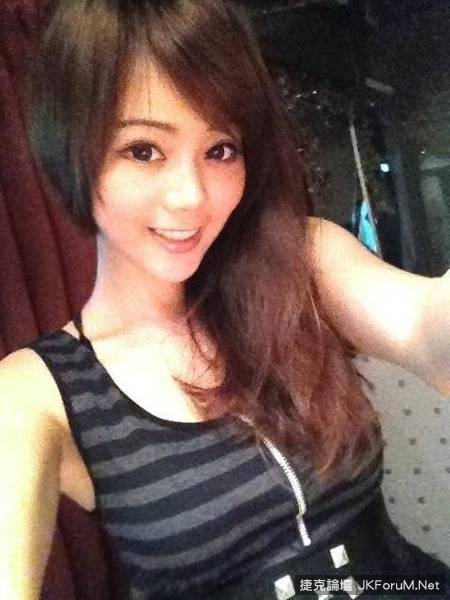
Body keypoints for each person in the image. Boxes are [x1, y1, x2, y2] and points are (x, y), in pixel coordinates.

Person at [0, 0, 449, 599]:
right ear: (73, 152)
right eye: (143, 150)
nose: (192, 196)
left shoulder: (304, 262)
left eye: (220, 150)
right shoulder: (34, 393)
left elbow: (425, 326)